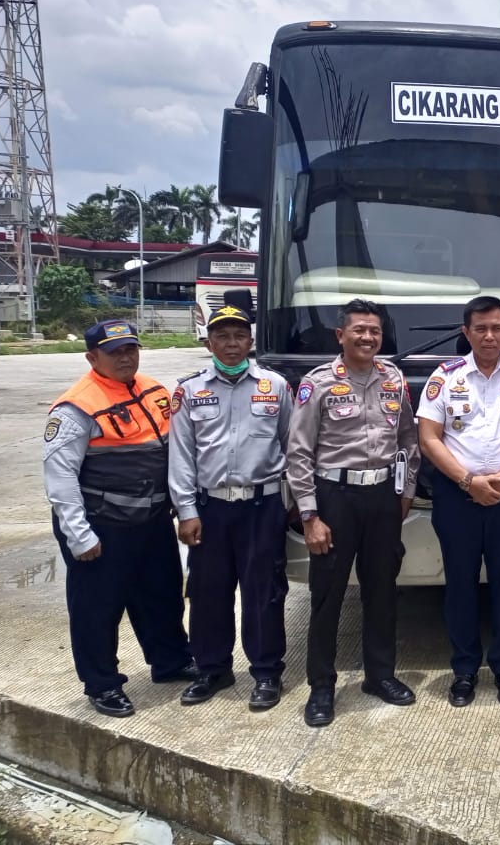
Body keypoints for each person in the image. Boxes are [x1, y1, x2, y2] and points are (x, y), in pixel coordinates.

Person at [43, 320, 197, 717]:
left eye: (131, 349)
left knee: (161, 595)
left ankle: (171, 662)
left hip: (150, 520)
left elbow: (174, 453)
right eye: (115, 352)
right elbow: (60, 478)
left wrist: (182, 508)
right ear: (92, 357)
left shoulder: (155, 390)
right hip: (101, 525)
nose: (126, 357)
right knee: (98, 609)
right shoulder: (76, 406)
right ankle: (102, 684)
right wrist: (80, 536)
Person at [286, 298, 420, 727]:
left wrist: (405, 492)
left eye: (375, 331)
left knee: (382, 591)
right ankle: (322, 686)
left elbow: (408, 440)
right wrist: (310, 515)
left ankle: (380, 676)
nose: (368, 337)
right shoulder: (318, 382)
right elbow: (299, 452)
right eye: (359, 330)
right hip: (334, 498)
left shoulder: (394, 379)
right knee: (327, 595)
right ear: (340, 335)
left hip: (382, 496)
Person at [416, 296, 500, 708]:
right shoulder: (445, 377)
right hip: (458, 499)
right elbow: (428, 437)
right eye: (480, 329)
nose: (489, 336)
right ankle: (464, 670)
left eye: (496, 328)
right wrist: (468, 480)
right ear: (466, 332)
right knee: (460, 584)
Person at [168, 304, 292, 711]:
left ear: (251, 341)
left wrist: (292, 504)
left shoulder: (275, 386)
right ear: (209, 342)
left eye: (239, 336)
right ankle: (212, 669)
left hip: (263, 506)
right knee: (208, 592)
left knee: (265, 592)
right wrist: (186, 510)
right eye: (222, 336)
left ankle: (267, 672)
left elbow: (293, 446)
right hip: (211, 509)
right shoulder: (188, 392)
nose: (232, 343)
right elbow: (182, 456)